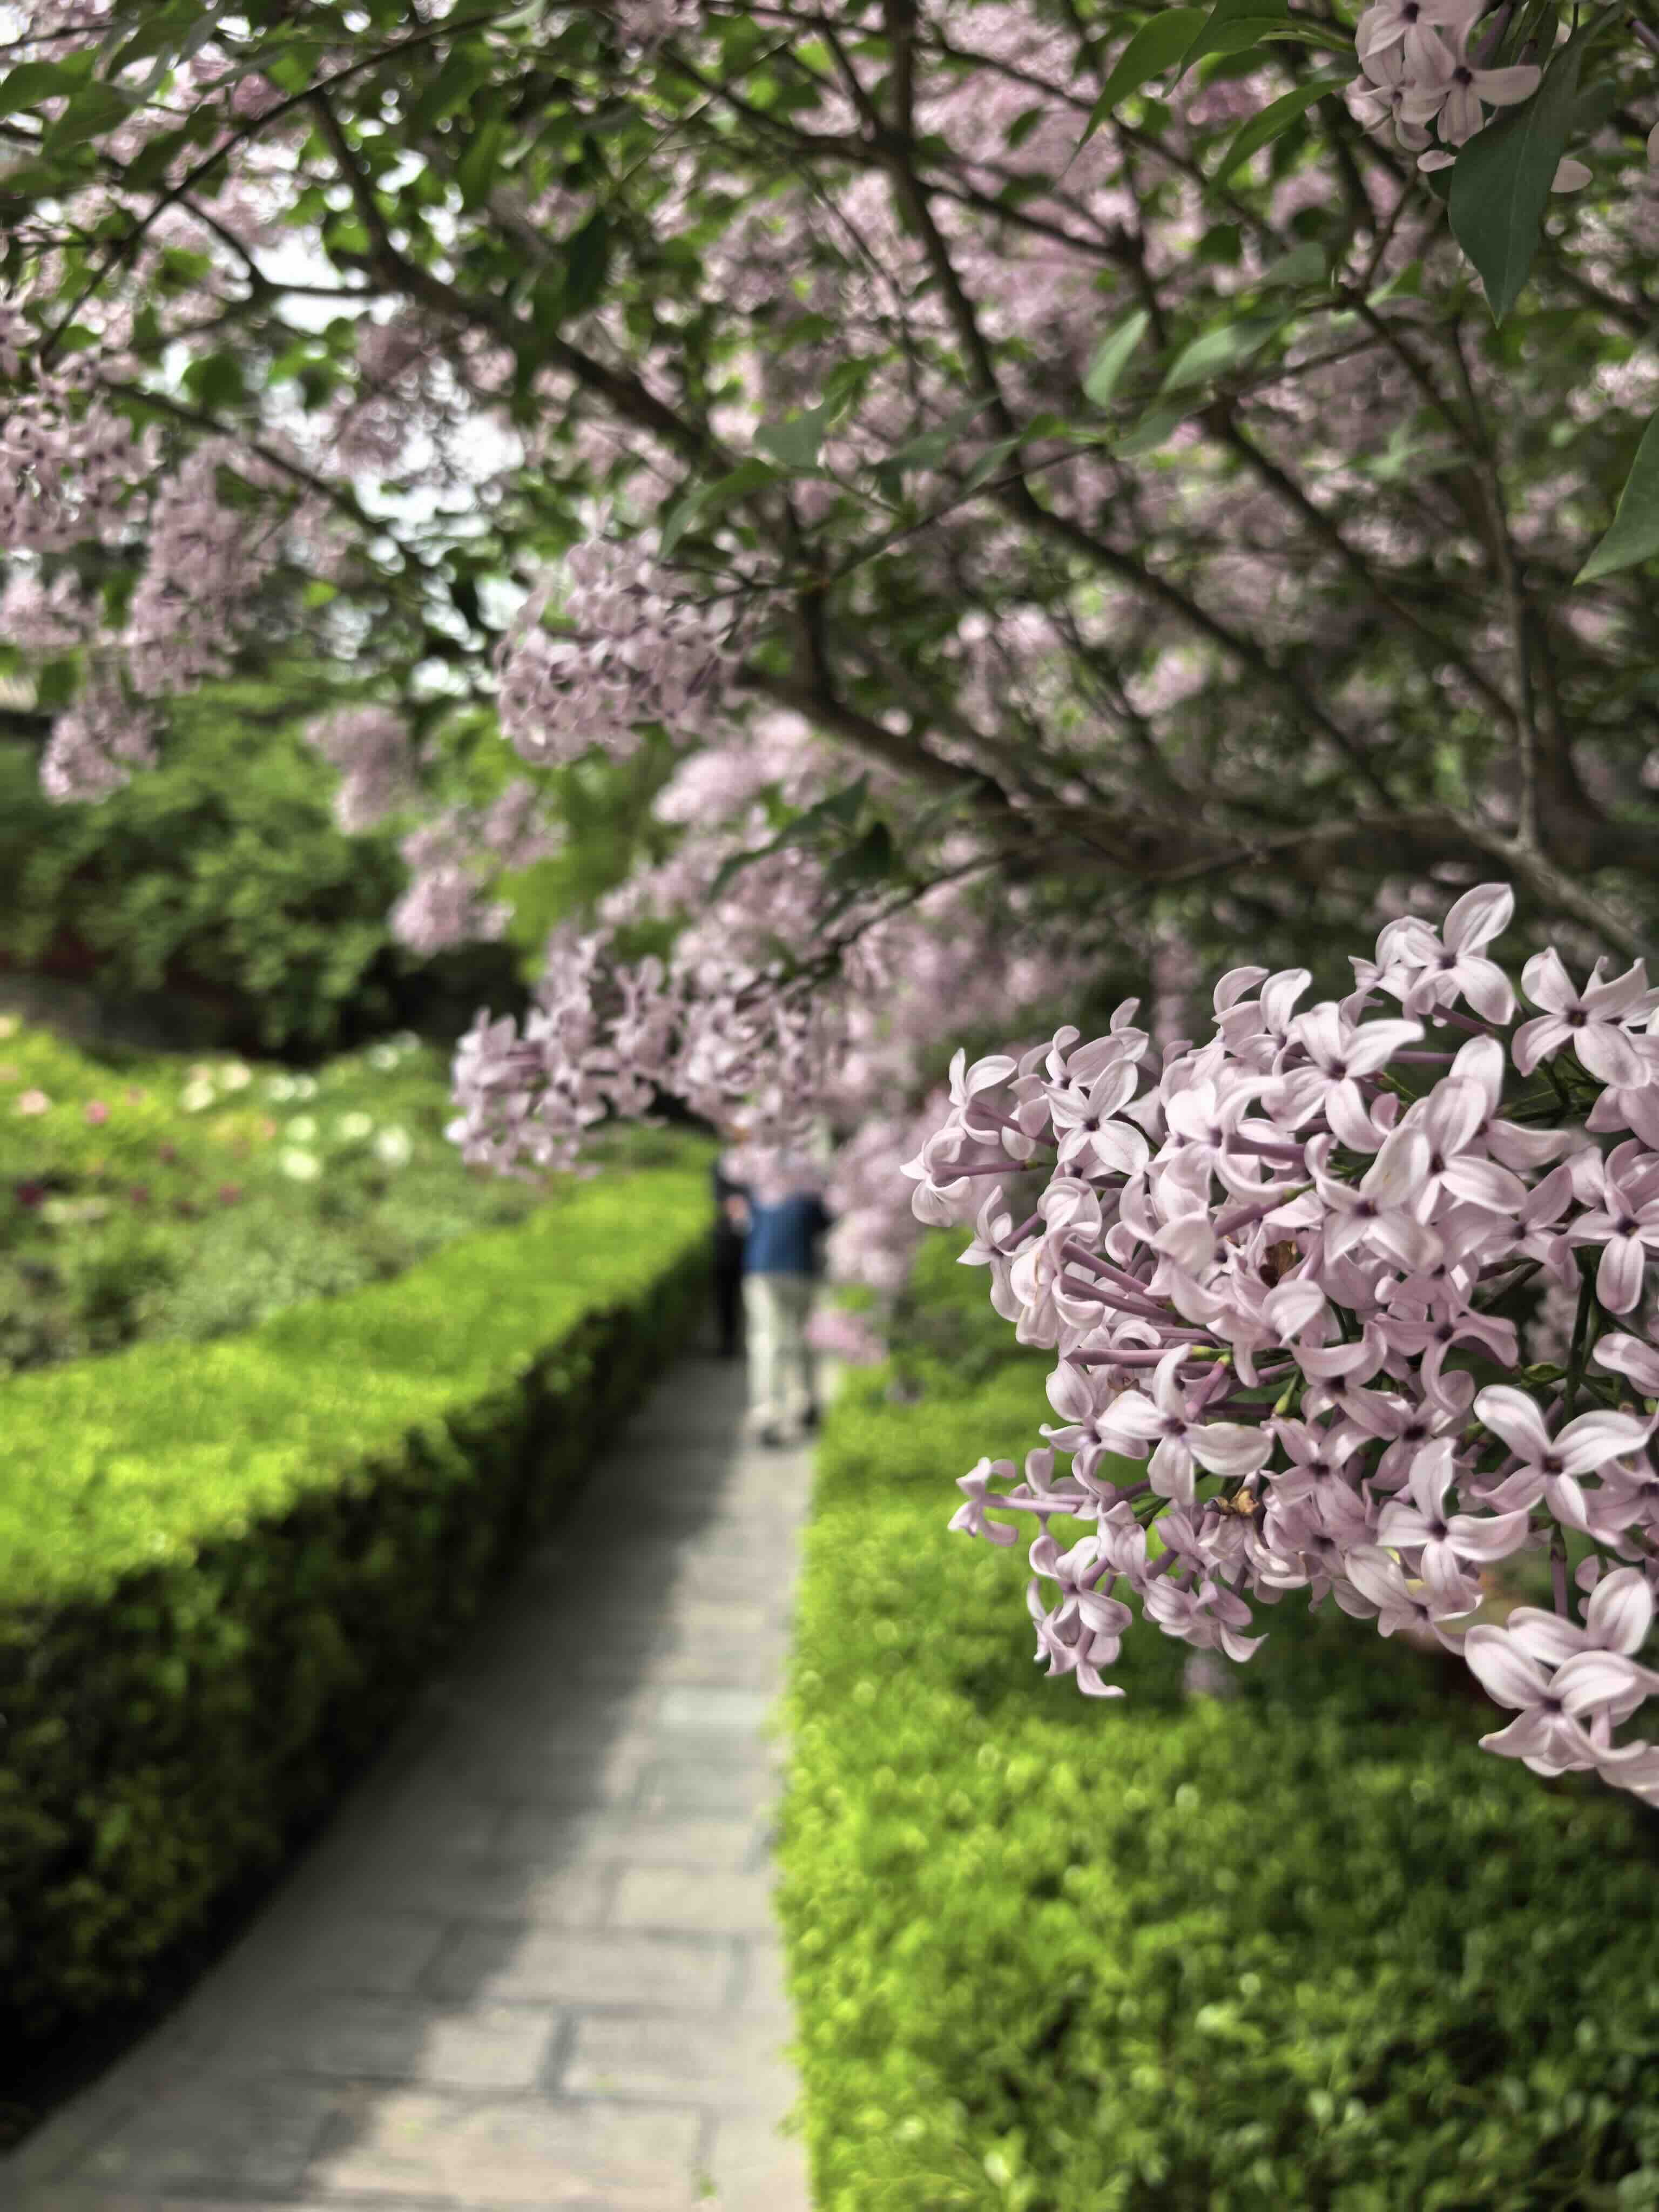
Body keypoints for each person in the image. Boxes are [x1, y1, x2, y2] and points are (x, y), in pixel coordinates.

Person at [740, 1150, 832, 1448]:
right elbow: (824, 1220)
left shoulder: (755, 1169)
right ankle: (803, 1403)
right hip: (798, 1266)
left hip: (766, 1268)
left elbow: (743, 1218)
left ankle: (768, 1412)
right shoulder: (810, 1175)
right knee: (799, 1340)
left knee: (768, 1342)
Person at [710, 1127, 750, 1359]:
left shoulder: (762, 1166)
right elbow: (719, 1197)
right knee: (727, 1294)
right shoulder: (721, 1164)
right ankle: (728, 1341)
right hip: (728, 1239)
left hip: (754, 1238)